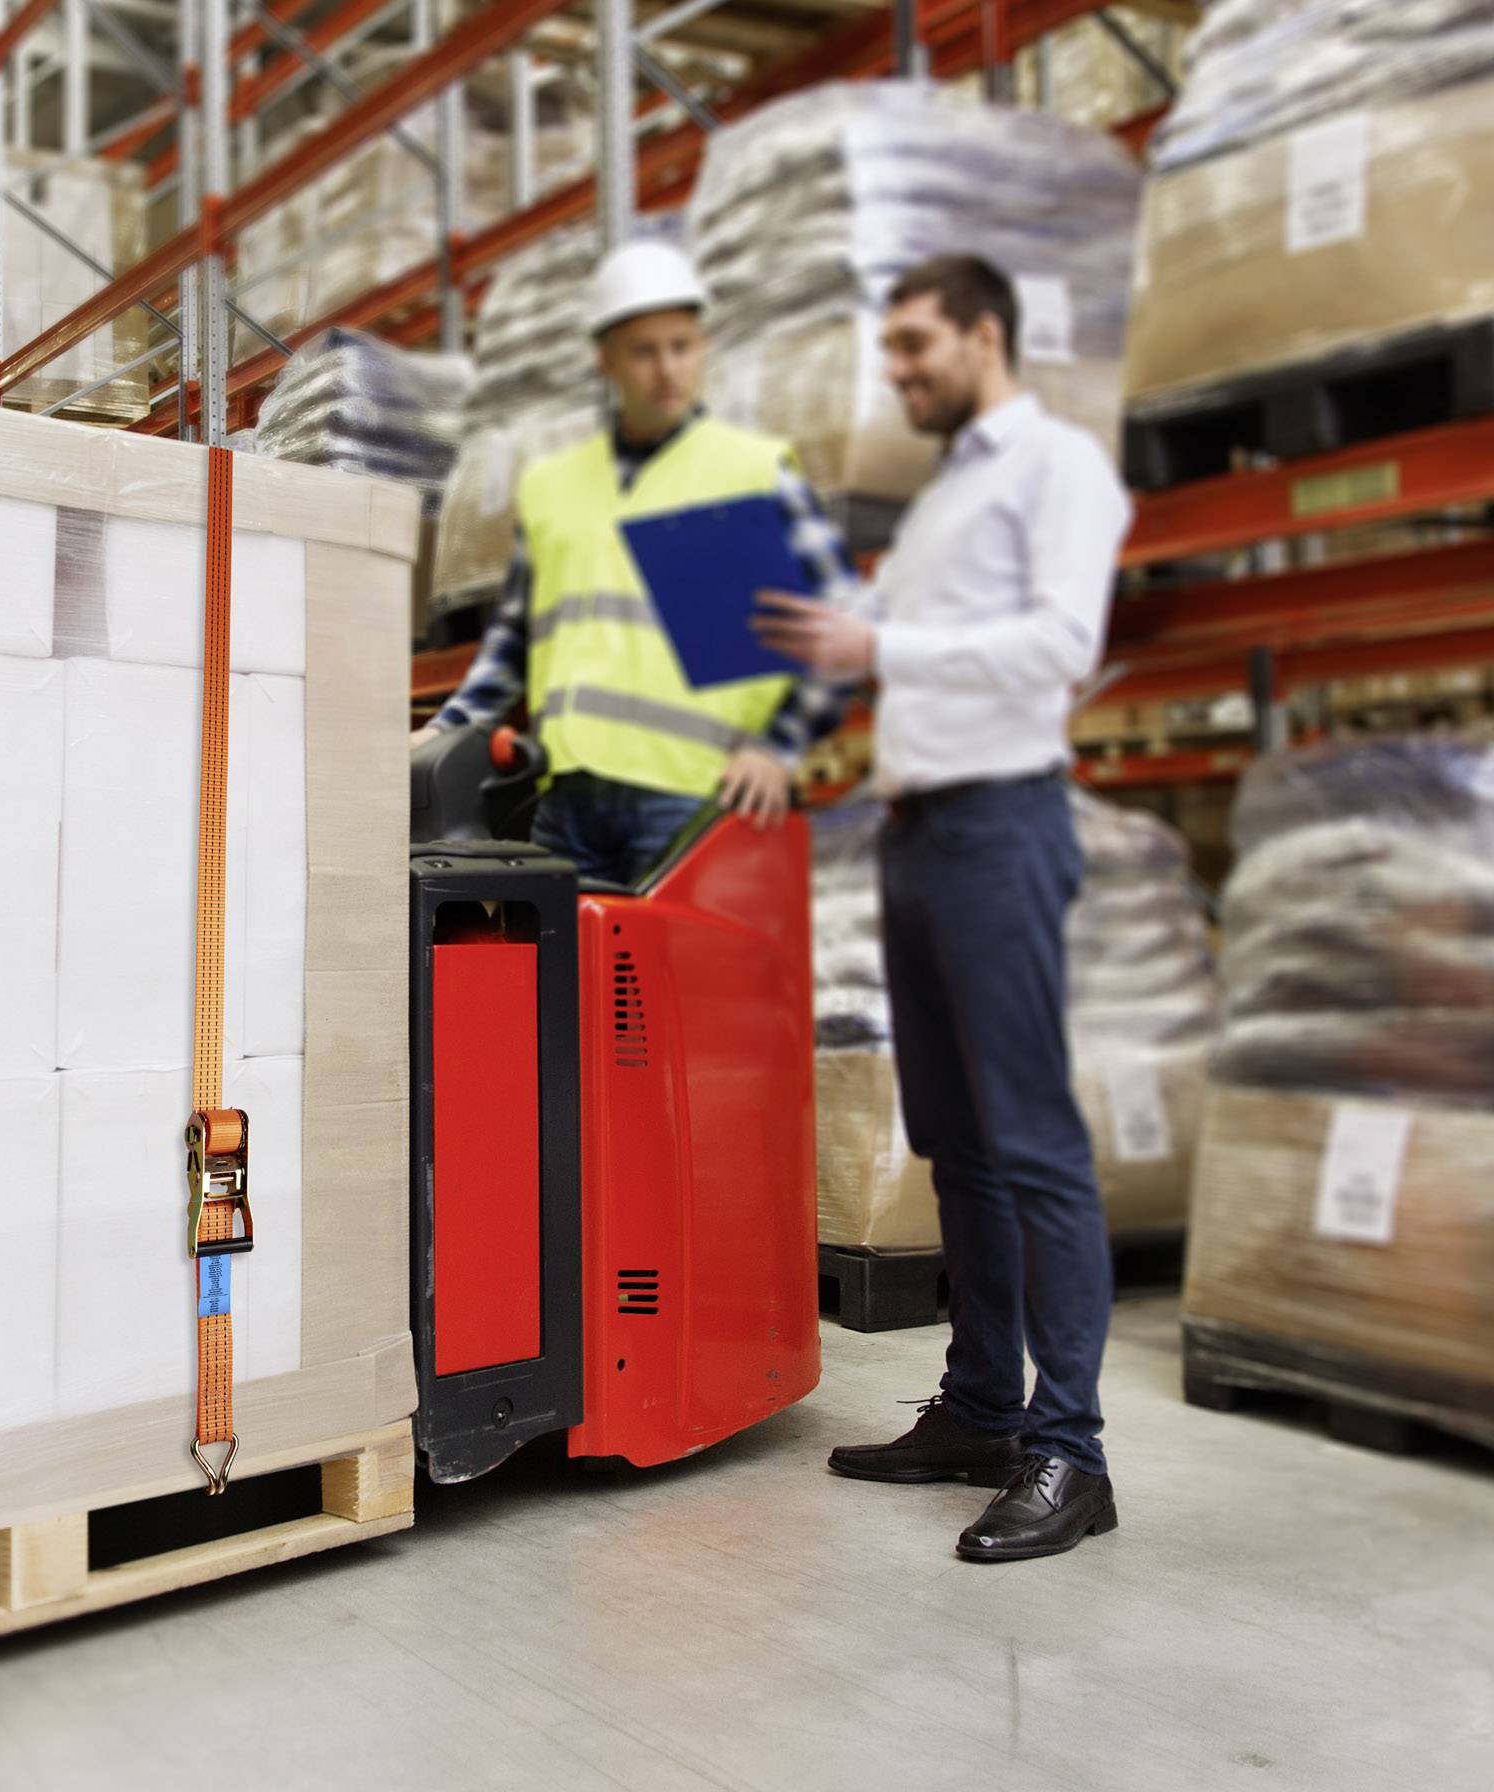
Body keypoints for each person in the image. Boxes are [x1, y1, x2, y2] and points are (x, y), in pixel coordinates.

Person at [754, 254, 1133, 1564]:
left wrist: (882, 647)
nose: (899, 371)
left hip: (1002, 824)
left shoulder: (1060, 470)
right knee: (957, 1144)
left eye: (916, 345)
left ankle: (1069, 1449)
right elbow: (881, 633)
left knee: (1032, 1143)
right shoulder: (941, 503)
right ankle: (981, 1406)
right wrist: (814, 630)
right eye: (893, 350)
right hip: (917, 834)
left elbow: (1059, 646)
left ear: (985, 334)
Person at [419, 240, 862, 886]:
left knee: (676, 983)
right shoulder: (554, 487)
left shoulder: (748, 470)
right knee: (570, 982)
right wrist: (445, 728)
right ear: (607, 360)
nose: (667, 371)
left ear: (702, 347)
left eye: (682, 347)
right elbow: (513, 642)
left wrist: (779, 746)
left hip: (688, 796)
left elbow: (842, 620)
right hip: (567, 799)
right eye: (644, 351)